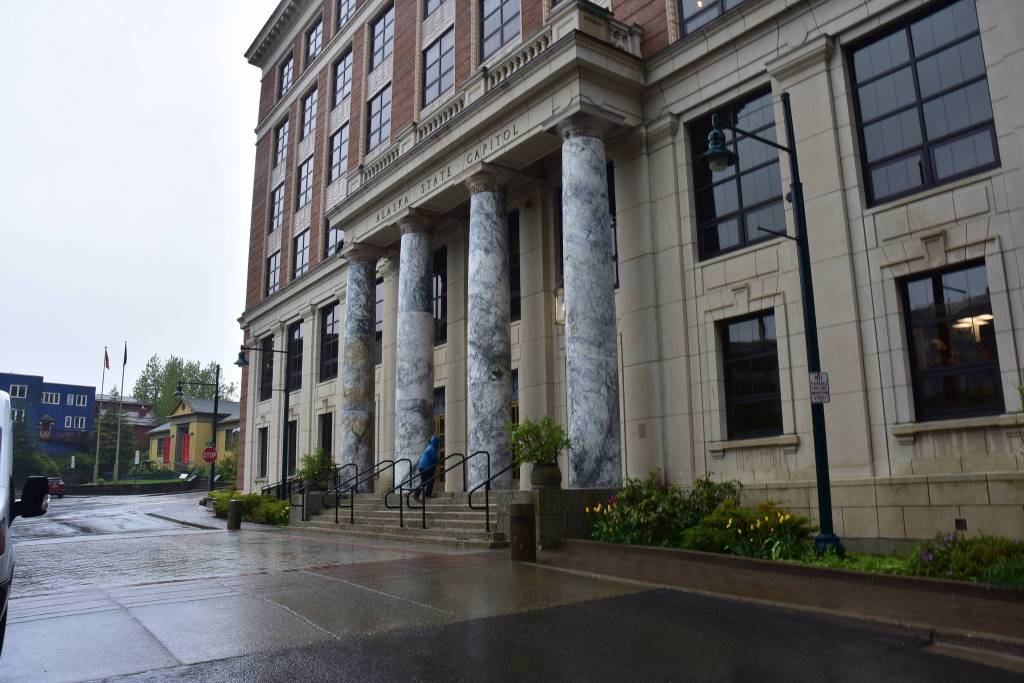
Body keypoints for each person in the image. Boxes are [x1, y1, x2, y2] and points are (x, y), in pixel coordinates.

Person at [413, 435, 440, 502]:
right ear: (436, 442)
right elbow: (434, 458)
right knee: (431, 480)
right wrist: (439, 462)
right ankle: (427, 495)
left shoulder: (428, 447)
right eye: (438, 443)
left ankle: (416, 494)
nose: (439, 444)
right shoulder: (433, 448)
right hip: (427, 467)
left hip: (421, 466)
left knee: (424, 481)